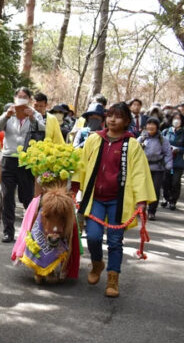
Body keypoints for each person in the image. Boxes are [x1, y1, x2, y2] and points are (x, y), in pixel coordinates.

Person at [73, 102, 155, 298]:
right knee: (92, 236)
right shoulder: (94, 140)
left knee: (115, 241)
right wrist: (75, 188)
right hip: (96, 199)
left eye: (117, 116)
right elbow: (81, 164)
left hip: (118, 201)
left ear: (127, 121)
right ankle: (97, 263)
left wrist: (141, 201)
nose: (112, 119)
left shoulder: (132, 145)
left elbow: (139, 174)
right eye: (110, 115)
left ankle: (113, 278)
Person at [0, 87, 41, 243]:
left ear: (29, 99)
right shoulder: (9, 112)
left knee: (27, 197)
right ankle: (8, 232)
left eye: (24, 96)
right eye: (19, 96)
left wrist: (32, 118)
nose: (21, 99)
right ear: (15, 98)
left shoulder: (35, 114)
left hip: (26, 161)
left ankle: (32, 231)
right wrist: (6, 116)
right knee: (7, 197)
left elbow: (43, 130)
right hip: (8, 160)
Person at [139, 118, 171, 220]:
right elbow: (133, 152)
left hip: (158, 169)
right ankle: (140, 209)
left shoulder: (163, 140)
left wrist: (168, 165)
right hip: (143, 168)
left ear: (157, 127)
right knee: (141, 189)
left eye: (153, 124)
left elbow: (167, 153)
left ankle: (152, 211)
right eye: (149, 124)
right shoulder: (141, 139)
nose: (151, 126)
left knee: (155, 190)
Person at [165, 112, 184, 210]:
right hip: (166, 162)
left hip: (178, 162)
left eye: (179, 118)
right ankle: (166, 198)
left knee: (175, 182)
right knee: (166, 182)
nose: (177, 120)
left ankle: (173, 201)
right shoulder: (166, 132)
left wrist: (179, 149)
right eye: (175, 118)